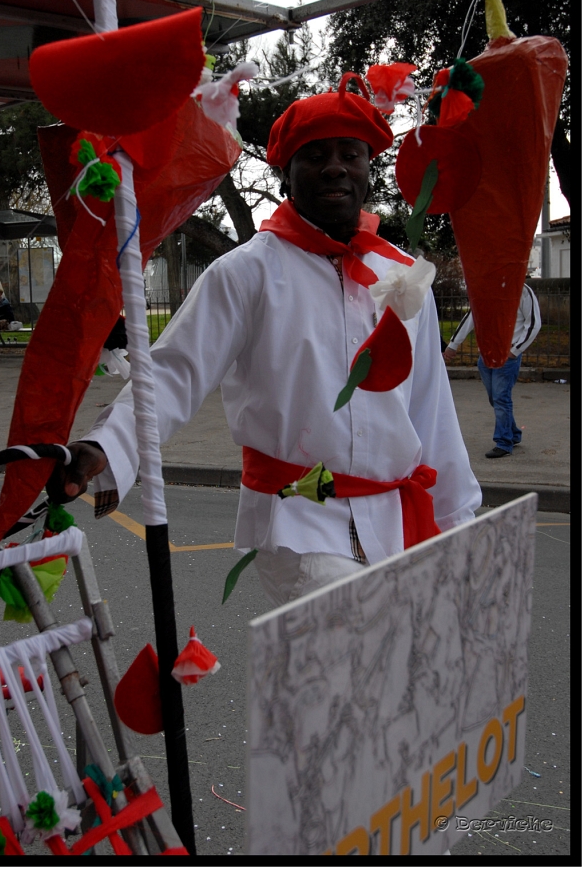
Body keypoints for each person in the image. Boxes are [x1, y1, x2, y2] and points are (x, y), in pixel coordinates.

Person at [47, 79, 481, 606]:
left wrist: (457, 519)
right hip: (298, 524)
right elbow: (175, 370)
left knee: (382, 682)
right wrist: (107, 445)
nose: (335, 167)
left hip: (395, 519)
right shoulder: (247, 272)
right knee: (345, 653)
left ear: (371, 168)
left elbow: (431, 407)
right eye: (315, 155)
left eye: (350, 154)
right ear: (286, 173)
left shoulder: (405, 273)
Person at [443, 282, 541, 458]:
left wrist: (515, 350)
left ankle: (503, 442)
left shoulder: (521, 290)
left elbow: (533, 323)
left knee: (500, 399)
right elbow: (472, 316)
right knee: (496, 399)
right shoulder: (485, 288)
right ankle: (513, 434)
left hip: (507, 355)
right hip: (486, 355)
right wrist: (453, 345)